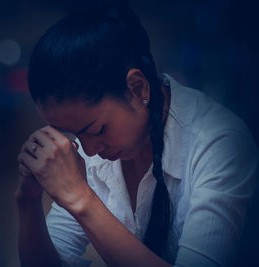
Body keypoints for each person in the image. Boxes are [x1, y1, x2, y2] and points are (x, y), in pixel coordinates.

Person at [15, 1, 258, 266]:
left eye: (97, 130)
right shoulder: (92, 148)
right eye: (74, 134)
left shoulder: (219, 142)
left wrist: (81, 198)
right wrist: (28, 201)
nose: (89, 150)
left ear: (138, 88)